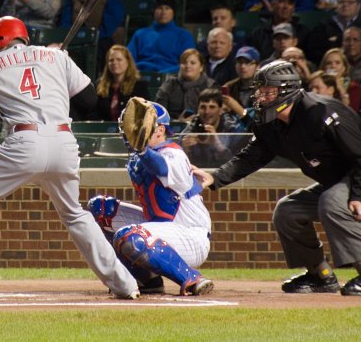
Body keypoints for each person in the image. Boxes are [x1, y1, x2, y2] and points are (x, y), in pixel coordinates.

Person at [0, 16, 141, 301]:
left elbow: (0, 111)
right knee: (75, 214)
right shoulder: (56, 57)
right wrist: (60, 64)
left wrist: (52, 62)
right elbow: (89, 102)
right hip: (64, 142)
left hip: (24, 142)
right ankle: (125, 284)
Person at [194, 60, 361, 297]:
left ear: (286, 90)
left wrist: (359, 195)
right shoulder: (270, 121)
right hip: (340, 178)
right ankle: (320, 276)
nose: (261, 97)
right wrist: (215, 177)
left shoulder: (321, 111)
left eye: (267, 91)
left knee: (332, 202)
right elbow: (252, 156)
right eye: (259, 91)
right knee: (288, 211)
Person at [87, 100, 213, 295]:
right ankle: (148, 280)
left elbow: (161, 167)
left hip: (191, 235)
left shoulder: (174, 153)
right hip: (162, 227)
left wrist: (142, 149)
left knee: (130, 236)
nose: (132, 132)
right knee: (101, 208)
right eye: (129, 127)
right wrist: (142, 151)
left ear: (160, 130)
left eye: (139, 127)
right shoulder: (140, 156)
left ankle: (192, 278)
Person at [59, 0, 125, 61]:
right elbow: (66, 22)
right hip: (76, 39)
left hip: (101, 39)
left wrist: (90, 37)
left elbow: (109, 27)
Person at [127, 0, 195, 74]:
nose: (163, 12)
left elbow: (188, 63)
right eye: (159, 8)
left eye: (167, 8)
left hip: (172, 78)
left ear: (173, 13)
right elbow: (128, 59)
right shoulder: (140, 34)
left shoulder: (184, 36)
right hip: (142, 76)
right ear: (154, 12)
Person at [180, 87, 247, 167]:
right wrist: (185, 149)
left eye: (212, 107)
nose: (207, 112)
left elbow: (237, 164)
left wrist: (218, 145)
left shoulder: (233, 130)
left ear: (220, 110)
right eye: (203, 107)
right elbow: (179, 165)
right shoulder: (190, 131)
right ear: (198, 110)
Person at [306, 0, 361, 64]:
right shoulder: (322, 26)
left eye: (350, 2)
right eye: (341, 2)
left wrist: (335, 41)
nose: (345, 5)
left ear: (358, 6)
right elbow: (312, 53)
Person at [155, 48, 218, 119]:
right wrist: (177, 121)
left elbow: (214, 114)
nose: (188, 66)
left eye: (193, 63)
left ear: (201, 67)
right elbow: (159, 113)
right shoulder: (169, 84)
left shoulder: (210, 86)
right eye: (184, 63)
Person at [92, 45, 149, 121]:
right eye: (111, 60)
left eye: (119, 59)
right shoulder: (99, 85)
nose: (114, 62)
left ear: (128, 62)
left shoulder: (139, 85)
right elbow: (93, 112)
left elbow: (144, 112)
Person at [223, 46, 260, 110]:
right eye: (239, 62)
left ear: (258, 66)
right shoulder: (229, 87)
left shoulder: (265, 88)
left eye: (247, 62)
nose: (242, 66)